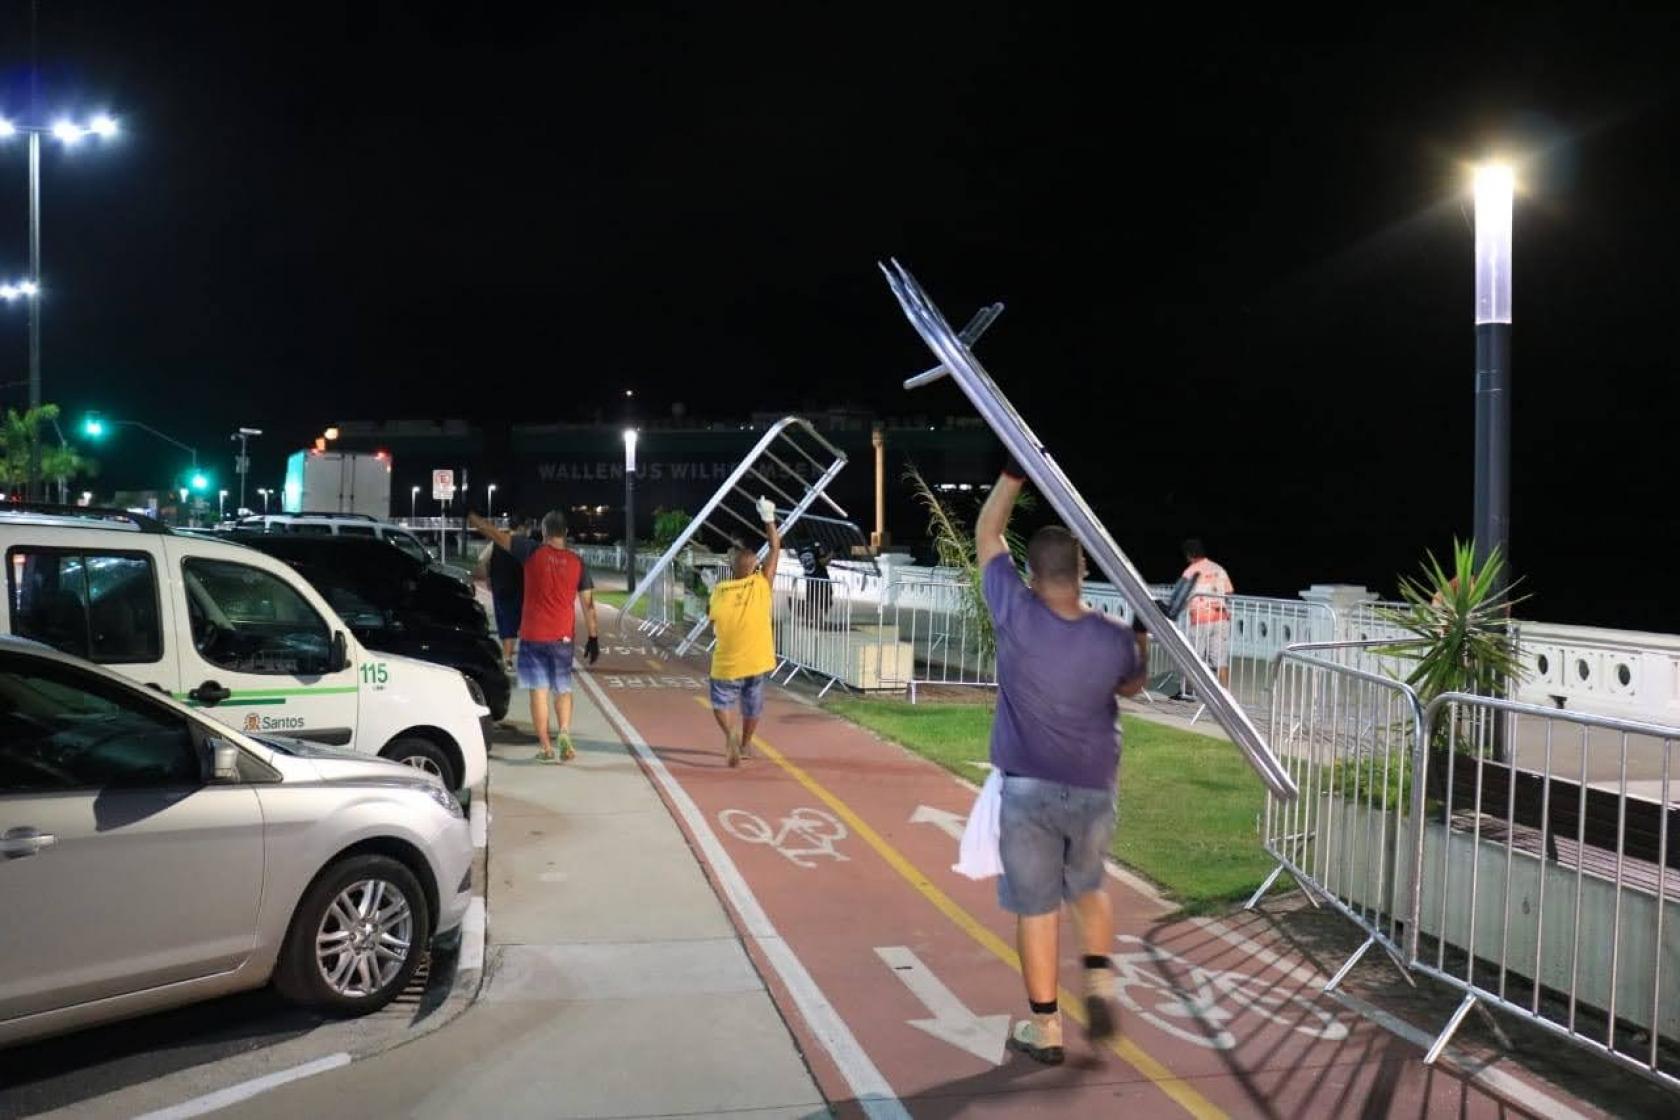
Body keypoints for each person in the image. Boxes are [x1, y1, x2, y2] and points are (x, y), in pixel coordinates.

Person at [978, 459, 1148, 1065]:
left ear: (1030, 573)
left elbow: (987, 533)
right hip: (1094, 788)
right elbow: (1130, 686)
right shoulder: (1110, 636)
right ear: (1082, 573)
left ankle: (1045, 1028)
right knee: (1089, 886)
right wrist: (1142, 641)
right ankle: (1099, 978)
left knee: (1036, 907)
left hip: (1028, 791)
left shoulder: (1015, 612)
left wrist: (1012, 476)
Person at [469, 509, 600, 763]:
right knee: (562, 689)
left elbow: (495, 534)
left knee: (538, 692)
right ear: (566, 533)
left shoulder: (531, 551)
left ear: (544, 532)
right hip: (563, 638)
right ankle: (564, 733)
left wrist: (472, 518)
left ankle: (546, 747)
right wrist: (593, 638)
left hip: (533, 637)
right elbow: (588, 604)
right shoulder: (577, 562)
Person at [707, 496, 780, 767]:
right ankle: (747, 744)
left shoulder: (720, 592)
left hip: (727, 664)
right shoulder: (762, 585)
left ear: (733, 570)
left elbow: (710, 620)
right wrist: (768, 519)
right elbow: (775, 547)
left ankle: (729, 736)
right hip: (757, 661)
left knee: (720, 701)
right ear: (755, 570)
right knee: (753, 705)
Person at [475, 513, 532, 669]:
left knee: (505, 623)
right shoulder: (524, 544)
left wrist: (488, 576)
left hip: (499, 587)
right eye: (527, 527)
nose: (528, 530)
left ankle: (507, 655)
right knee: (512, 625)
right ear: (521, 527)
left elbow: (482, 559)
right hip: (518, 589)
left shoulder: (497, 541)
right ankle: (507, 657)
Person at [1181, 537, 1234, 690]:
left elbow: (1183, 595)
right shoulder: (1218, 568)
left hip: (1201, 618)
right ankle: (1225, 695)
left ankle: (1189, 691)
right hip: (1221, 618)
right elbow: (1229, 591)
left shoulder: (1191, 571)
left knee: (1194, 656)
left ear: (1189, 555)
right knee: (1220, 659)